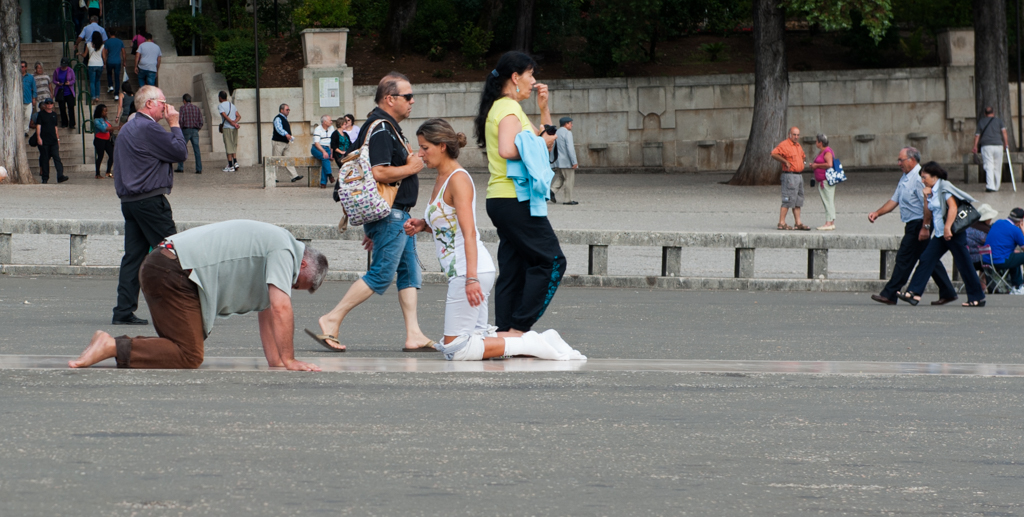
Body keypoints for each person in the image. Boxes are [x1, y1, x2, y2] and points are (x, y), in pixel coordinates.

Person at [403, 118, 584, 361]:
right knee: (474, 339)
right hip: (467, 269)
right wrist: (424, 225)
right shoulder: (442, 178)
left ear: (442, 146)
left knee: (456, 348)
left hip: (469, 270)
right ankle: (540, 341)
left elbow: (469, 232)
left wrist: (471, 278)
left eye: (425, 148)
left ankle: (532, 342)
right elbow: (451, 226)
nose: (420, 154)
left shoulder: (458, 179)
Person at [70, 220, 327, 372]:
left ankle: (110, 344)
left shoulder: (278, 243)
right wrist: (290, 360)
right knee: (188, 354)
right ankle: (111, 346)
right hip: (172, 270)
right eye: (296, 283)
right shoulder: (285, 248)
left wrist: (277, 361)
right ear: (303, 264)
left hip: (163, 264)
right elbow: (281, 307)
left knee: (179, 346)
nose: (289, 287)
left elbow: (268, 309)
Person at [310, 72, 432, 353]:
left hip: (397, 216)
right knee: (381, 274)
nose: (412, 101)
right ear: (390, 99)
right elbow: (379, 172)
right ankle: (332, 319)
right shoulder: (381, 128)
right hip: (392, 214)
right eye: (408, 96)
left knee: (409, 273)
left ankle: (414, 334)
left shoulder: (385, 127)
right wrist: (411, 168)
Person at [474, 51, 566, 335]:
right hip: (515, 198)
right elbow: (508, 149)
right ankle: (518, 328)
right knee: (552, 261)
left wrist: (544, 109)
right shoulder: (509, 109)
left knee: (514, 268)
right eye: (531, 74)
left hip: (503, 198)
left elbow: (545, 140)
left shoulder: (503, 107)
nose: (534, 81)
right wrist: (540, 141)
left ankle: (505, 332)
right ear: (515, 77)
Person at [111, 85, 187, 326]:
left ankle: (123, 310)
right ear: (149, 104)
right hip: (149, 200)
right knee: (173, 253)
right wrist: (174, 123)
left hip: (130, 201)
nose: (166, 106)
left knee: (133, 258)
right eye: (163, 102)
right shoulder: (148, 127)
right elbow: (180, 152)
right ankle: (184, 306)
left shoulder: (128, 128)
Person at [868, 147, 958, 305]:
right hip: (912, 224)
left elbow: (928, 205)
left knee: (904, 258)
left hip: (919, 224)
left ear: (912, 160)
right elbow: (894, 200)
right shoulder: (905, 177)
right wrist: (877, 213)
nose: (898, 163)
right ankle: (948, 291)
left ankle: (890, 294)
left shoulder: (918, 178)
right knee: (929, 259)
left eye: (901, 160)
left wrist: (925, 227)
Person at [897, 162, 986, 307]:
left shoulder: (944, 187)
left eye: (925, 177)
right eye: (921, 177)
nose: (922, 180)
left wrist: (948, 228)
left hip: (953, 233)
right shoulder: (931, 190)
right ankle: (914, 293)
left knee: (964, 264)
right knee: (926, 259)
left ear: (935, 176)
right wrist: (926, 198)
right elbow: (929, 212)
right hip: (940, 234)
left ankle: (977, 297)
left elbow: (953, 207)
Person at [771, 127, 809, 230]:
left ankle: (798, 223)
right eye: (794, 134)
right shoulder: (784, 144)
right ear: (789, 134)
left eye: (798, 135)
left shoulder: (798, 145)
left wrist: (803, 163)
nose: (796, 137)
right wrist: (785, 161)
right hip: (789, 175)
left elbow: (803, 156)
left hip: (798, 175)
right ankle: (781, 222)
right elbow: (774, 153)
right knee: (787, 199)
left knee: (798, 200)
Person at [984, 207, 1024, 294]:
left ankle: (1016, 285)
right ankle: (1018, 286)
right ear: (1021, 221)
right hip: (999, 261)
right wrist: (1023, 230)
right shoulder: (1016, 230)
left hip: (986, 260)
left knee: (1015, 257)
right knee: (1018, 257)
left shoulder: (998, 222)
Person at [973, 106, 1010, 192]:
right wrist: (1006, 143)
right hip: (998, 145)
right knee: (998, 166)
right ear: (993, 112)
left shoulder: (981, 122)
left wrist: (975, 146)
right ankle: (997, 186)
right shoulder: (999, 121)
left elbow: (977, 136)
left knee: (989, 165)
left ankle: (990, 186)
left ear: (985, 113)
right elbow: (1004, 132)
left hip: (986, 146)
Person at [32, 98, 69, 184]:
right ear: (45, 105)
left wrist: (58, 138)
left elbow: (55, 127)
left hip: (53, 140)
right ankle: (45, 178)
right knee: (45, 159)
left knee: (57, 158)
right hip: (44, 141)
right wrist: (38, 137)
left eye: (50, 103)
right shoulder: (41, 114)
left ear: (53, 104)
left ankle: (60, 175)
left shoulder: (54, 114)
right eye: (47, 103)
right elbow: (38, 126)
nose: (49, 105)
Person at [966, 203, 998, 292]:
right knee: (993, 259)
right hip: (977, 260)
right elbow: (992, 245)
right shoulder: (983, 232)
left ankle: (982, 285)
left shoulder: (969, 227)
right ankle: (993, 287)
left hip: (967, 259)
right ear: (986, 219)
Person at [809, 133, 837, 231]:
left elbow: (829, 164)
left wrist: (816, 165)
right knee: (828, 201)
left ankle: (828, 222)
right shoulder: (823, 151)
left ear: (820, 142)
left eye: (816, 141)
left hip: (826, 180)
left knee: (828, 201)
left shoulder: (827, 152)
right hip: (823, 180)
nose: (816, 143)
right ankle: (831, 221)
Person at [270, 103, 303, 182]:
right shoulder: (278, 118)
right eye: (287, 109)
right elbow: (278, 128)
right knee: (276, 160)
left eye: (289, 110)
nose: (288, 111)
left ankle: (294, 176)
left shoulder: (284, 119)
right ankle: (273, 178)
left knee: (288, 159)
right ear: (281, 110)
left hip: (285, 142)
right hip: (278, 142)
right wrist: (286, 134)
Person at [550, 116, 579, 205]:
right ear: (566, 124)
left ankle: (551, 191)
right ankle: (567, 200)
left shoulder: (556, 132)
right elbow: (570, 148)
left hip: (557, 160)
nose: (572, 125)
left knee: (561, 177)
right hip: (566, 161)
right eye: (570, 123)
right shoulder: (567, 133)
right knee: (569, 180)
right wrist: (574, 161)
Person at [175, 94, 204, 174]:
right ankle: (199, 168)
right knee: (197, 150)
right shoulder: (196, 108)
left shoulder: (183, 108)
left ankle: (180, 167)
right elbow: (201, 121)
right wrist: (197, 128)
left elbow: (180, 120)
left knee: (182, 148)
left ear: (184, 100)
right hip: (195, 130)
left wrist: (180, 129)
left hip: (186, 130)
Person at [217, 91, 240, 171]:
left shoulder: (221, 106)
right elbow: (238, 116)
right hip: (234, 128)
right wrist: (235, 122)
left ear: (220, 97)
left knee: (228, 145)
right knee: (233, 144)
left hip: (227, 128)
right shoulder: (232, 105)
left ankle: (230, 165)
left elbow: (225, 116)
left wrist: (231, 122)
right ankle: (235, 162)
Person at [79, 31, 105, 103]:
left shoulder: (88, 44)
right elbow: (104, 56)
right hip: (100, 64)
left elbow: (85, 55)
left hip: (91, 64)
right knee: (97, 81)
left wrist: (80, 53)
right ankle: (97, 96)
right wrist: (104, 64)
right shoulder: (102, 45)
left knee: (92, 82)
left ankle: (93, 97)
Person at [52, 59, 77, 129]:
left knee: (71, 108)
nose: (63, 67)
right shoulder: (57, 71)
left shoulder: (70, 70)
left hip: (69, 92)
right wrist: (57, 83)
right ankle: (64, 122)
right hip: (60, 91)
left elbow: (73, 80)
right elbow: (54, 80)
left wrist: (69, 83)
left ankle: (72, 123)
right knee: (62, 108)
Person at [311, 115, 335, 187]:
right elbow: (316, 143)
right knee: (325, 157)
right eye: (330, 120)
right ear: (325, 122)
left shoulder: (331, 128)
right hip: (317, 148)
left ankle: (324, 183)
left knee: (325, 159)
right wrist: (323, 151)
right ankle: (328, 176)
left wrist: (332, 153)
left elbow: (333, 142)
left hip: (327, 148)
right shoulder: (318, 129)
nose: (331, 122)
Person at [92, 103, 115, 179]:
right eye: (104, 111)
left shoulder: (106, 120)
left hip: (107, 140)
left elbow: (109, 128)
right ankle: (97, 173)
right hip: (100, 140)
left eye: (106, 111)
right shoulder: (97, 120)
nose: (106, 113)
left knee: (112, 155)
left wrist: (111, 129)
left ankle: (108, 171)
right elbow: (103, 129)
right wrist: (115, 128)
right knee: (100, 156)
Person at [102, 28, 125, 99]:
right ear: (116, 33)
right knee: (117, 77)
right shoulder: (120, 42)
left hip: (109, 61)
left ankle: (110, 85)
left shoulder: (107, 42)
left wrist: (104, 61)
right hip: (117, 61)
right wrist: (124, 61)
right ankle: (116, 94)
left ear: (109, 33)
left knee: (109, 74)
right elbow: (123, 53)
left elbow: (105, 52)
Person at [20, 61, 35, 137]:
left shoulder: (30, 77)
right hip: (19, 101)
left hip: (28, 100)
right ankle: (21, 131)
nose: (21, 68)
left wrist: (34, 98)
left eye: (23, 66)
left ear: (25, 67)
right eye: (20, 66)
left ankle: (25, 131)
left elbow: (34, 88)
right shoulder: (17, 76)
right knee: (21, 117)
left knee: (28, 116)